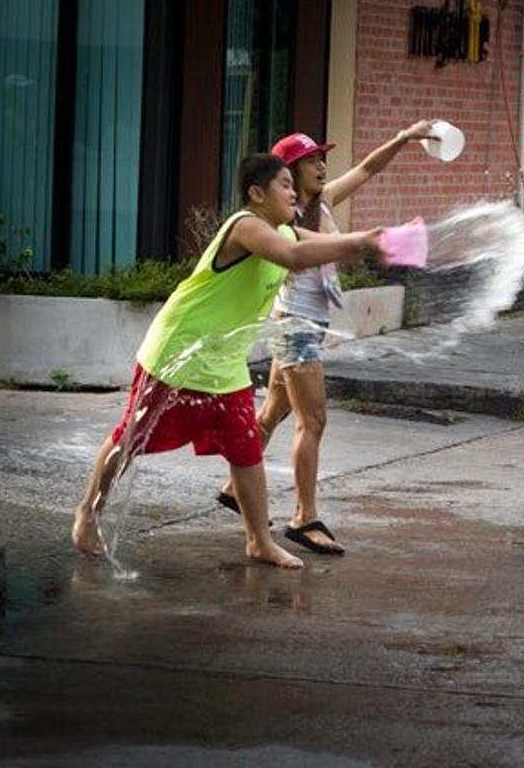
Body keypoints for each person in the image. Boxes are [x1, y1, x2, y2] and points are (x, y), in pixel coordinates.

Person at [71, 154, 392, 569]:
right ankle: (87, 512)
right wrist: (363, 242)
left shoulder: (283, 231)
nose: (294, 192)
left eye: (293, 185)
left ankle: (258, 541)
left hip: (223, 361)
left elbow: (311, 246)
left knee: (245, 448)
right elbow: (293, 258)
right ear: (257, 194)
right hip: (178, 352)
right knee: (131, 435)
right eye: (284, 185)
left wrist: (368, 242)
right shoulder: (246, 227)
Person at [215, 124, 436, 555]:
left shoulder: (325, 201)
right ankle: (304, 517)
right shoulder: (283, 220)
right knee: (312, 422)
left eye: (322, 159)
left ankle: (232, 488)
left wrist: (404, 137)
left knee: (274, 412)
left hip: (304, 324)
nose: (321, 166)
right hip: (296, 325)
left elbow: (368, 168)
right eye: (312, 160)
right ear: (288, 172)